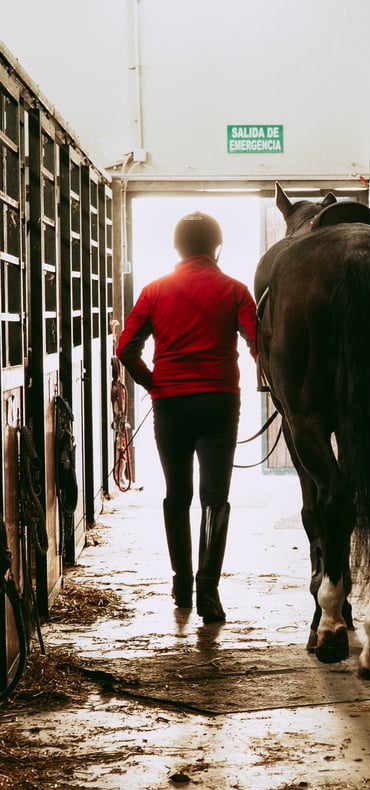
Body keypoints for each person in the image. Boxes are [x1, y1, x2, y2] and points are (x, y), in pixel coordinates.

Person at [116, 211, 257, 623]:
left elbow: (126, 349)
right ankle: (208, 592)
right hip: (219, 403)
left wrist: (153, 383)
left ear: (175, 248)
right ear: (217, 248)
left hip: (171, 404)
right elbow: (258, 343)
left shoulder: (154, 291)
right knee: (216, 497)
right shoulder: (235, 290)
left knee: (178, 494)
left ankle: (181, 585)